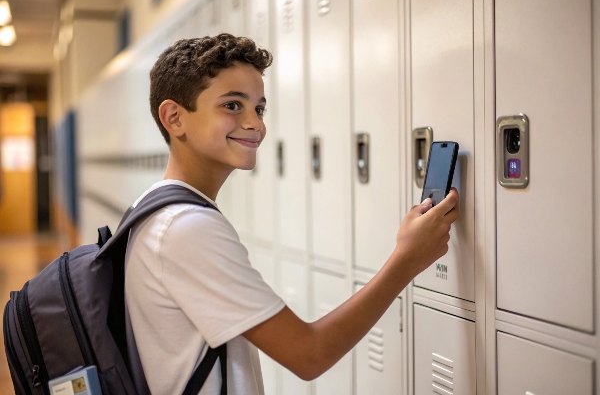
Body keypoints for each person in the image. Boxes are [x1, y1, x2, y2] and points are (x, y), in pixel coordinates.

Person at [124, 33, 459, 395]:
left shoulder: (157, 209)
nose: (256, 124)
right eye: (233, 106)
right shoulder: (185, 229)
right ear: (174, 117)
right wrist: (407, 260)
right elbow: (309, 354)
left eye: (259, 108)